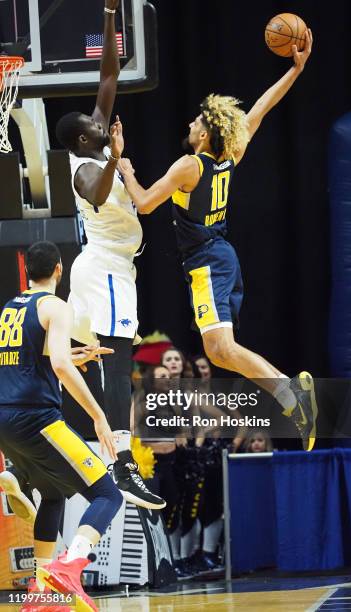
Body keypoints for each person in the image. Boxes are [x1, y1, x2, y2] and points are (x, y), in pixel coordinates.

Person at [114, 30, 317, 452]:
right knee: (221, 352)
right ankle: (288, 394)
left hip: (207, 260)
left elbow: (147, 204)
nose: (190, 124)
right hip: (220, 256)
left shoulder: (191, 164)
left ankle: (289, 393)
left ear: (205, 135)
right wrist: (294, 70)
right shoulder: (231, 153)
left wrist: (124, 165)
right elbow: (261, 108)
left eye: (196, 121)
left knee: (220, 348)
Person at [54, 0, 164, 509]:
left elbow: (108, 74)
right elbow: (98, 192)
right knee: (117, 364)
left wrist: (108, 15)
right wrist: (116, 158)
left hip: (110, 271)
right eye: (96, 126)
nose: (105, 121)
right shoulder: (83, 167)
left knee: (90, 358)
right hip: (105, 270)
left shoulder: (96, 142)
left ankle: (99, 455)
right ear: (84, 138)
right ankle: (120, 463)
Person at [0, 241, 123, 612]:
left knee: (53, 495)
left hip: (6, 421)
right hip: (36, 418)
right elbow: (59, 368)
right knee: (108, 494)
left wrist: (74, 352)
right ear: (59, 269)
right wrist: (99, 416)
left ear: (27, 271)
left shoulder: (9, 309)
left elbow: (27, 360)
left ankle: (40, 591)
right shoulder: (55, 305)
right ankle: (70, 567)